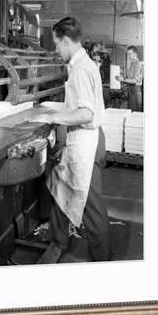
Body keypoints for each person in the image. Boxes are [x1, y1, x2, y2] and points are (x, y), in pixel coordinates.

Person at [32, 17, 111, 261]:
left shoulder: (80, 68)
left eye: (57, 44)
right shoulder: (83, 64)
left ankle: (104, 259)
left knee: (90, 206)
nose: (56, 50)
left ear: (66, 41)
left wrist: (55, 117)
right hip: (86, 140)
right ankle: (58, 237)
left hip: (87, 143)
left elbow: (86, 113)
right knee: (59, 185)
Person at [117, 45, 143, 112]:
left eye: (130, 54)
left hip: (136, 91)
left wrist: (123, 80)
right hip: (131, 90)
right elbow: (130, 78)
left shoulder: (138, 64)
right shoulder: (132, 64)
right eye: (127, 54)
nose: (128, 56)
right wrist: (122, 79)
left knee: (135, 113)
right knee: (130, 111)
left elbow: (135, 80)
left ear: (135, 54)